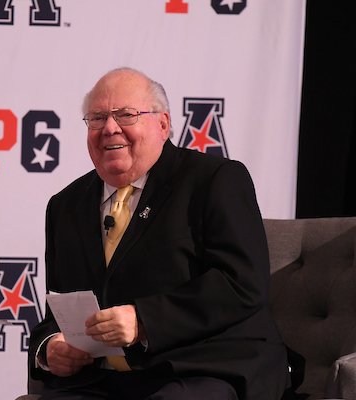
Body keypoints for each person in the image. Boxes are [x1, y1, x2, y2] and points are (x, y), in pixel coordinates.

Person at [28, 67, 290, 400]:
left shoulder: (214, 180)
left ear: (163, 124)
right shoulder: (66, 205)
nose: (109, 128)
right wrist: (50, 347)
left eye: (126, 115)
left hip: (204, 367)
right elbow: (59, 310)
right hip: (103, 380)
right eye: (97, 118)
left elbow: (242, 283)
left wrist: (143, 321)